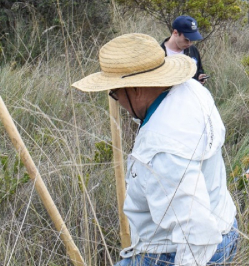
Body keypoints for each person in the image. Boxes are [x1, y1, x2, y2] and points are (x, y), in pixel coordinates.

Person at [71, 33, 237, 266]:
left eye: (114, 93)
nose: (116, 101)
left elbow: (197, 235)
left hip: (175, 253)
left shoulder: (162, 148)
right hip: (225, 226)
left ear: (137, 88)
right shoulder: (192, 89)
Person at [161, 15, 209, 85]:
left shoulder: (193, 50)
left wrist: (199, 77)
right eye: (186, 40)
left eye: (192, 40)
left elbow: (199, 70)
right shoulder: (159, 53)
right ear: (175, 33)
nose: (189, 43)